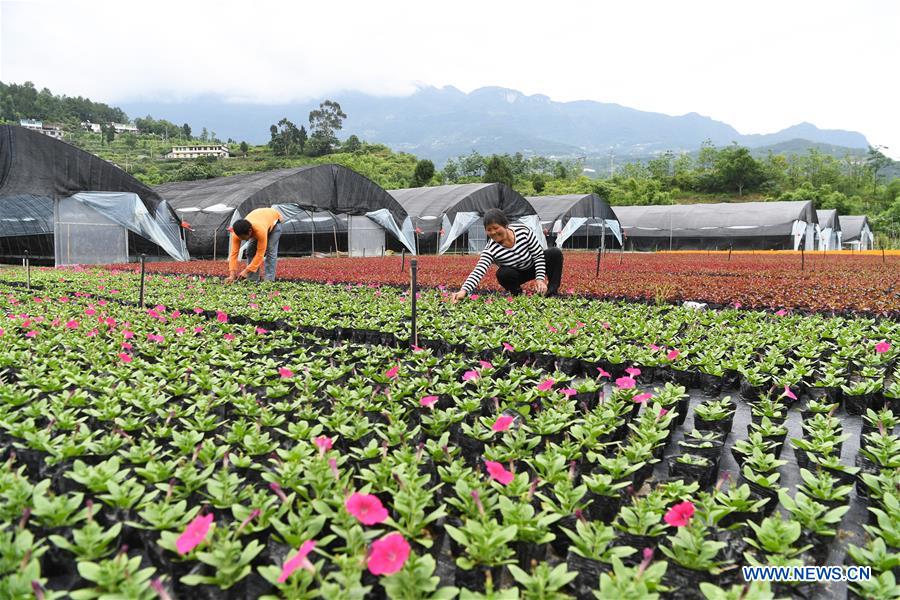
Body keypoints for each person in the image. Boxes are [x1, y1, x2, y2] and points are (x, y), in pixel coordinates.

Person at [450, 208, 563, 303]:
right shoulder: (491, 249)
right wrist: (463, 291)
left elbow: (538, 256)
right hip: (517, 274)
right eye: (489, 230)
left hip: (532, 265)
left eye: (495, 228)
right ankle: (518, 294)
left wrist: (539, 279)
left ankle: (551, 293)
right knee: (502, 273)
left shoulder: (523, 232)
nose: (493, 232)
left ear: (506, 225)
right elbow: (478, 270)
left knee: (554, 253)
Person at [225, 207, 284, 284]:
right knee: (250, 251)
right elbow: (233, 254)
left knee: (270, 250)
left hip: (274, 222)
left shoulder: (260, 231)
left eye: (243, 238)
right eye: (240, 238)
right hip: (260, 219)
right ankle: (252, 279)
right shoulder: (236, 234)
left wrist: (246, 270)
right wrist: (232, 274)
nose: (242, 240)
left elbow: (260, 253)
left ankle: (269, 280)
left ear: (250, 231)